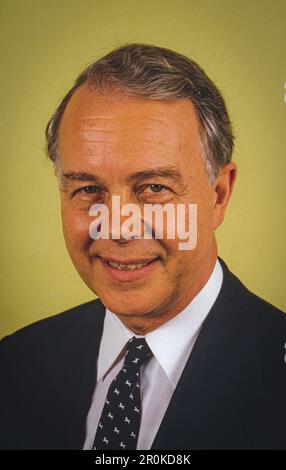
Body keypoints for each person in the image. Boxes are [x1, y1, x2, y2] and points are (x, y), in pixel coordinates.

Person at [0, 43, 285, 450]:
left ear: (219, 195)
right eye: (88, 189)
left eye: (154, 188)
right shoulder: (13, 364)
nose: (117, 226)